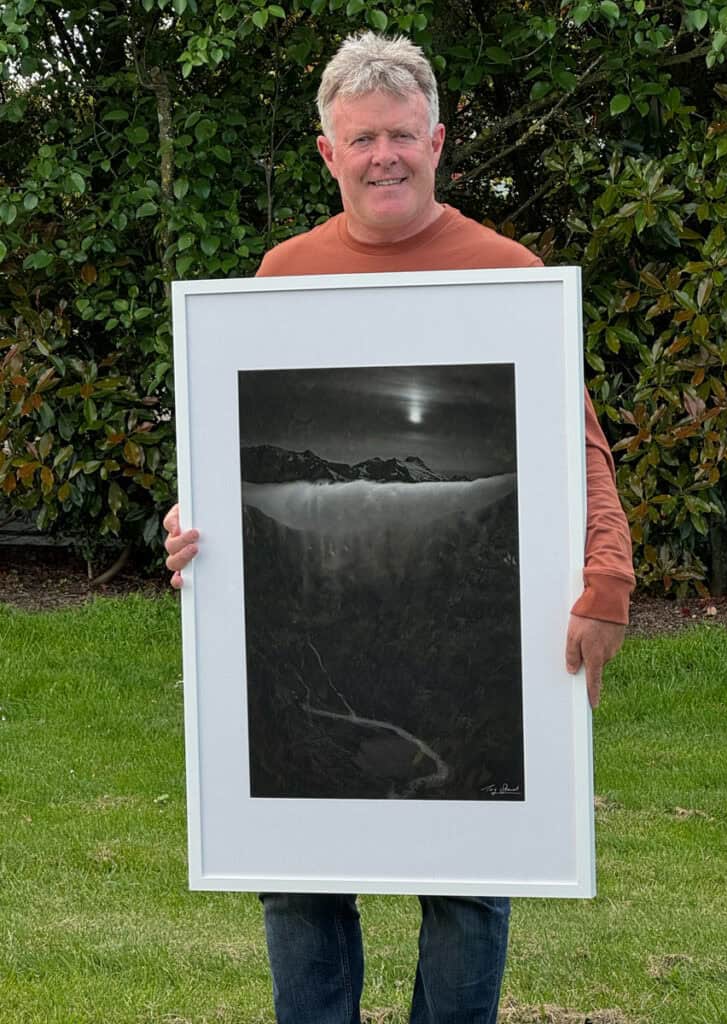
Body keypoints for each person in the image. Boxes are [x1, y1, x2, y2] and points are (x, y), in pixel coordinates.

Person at [164, 31, 635, 1024]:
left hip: (471, 621)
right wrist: (196, 520)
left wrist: (606, 579)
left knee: (469, 880)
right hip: (315, 625)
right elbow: (236, 446)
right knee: (298, 870)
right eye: (363, 137)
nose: (385, 154)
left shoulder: (505, 271)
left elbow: (576, 445)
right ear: (329, 153)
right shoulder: (280, 275)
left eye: (403, 136)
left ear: (438, 143)